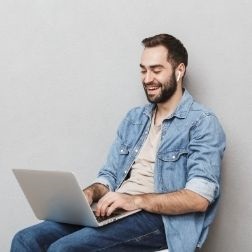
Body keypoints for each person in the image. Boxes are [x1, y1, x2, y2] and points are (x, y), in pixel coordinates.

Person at [11, 34, 226, 252]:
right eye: (143, 70)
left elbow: (199, 198)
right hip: (117, 210)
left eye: (156, 70)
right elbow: (110, 176)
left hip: (161, 222)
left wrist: (135, 201)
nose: (147, 78)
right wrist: (90, 194)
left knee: (64, 249)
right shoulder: (134, 119)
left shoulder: (202, 123)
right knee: (25, 240)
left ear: (179, 71)